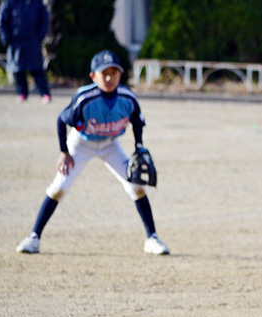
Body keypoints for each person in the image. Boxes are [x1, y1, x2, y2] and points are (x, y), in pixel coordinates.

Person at [15, 50, 169, 256]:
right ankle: (33, 237)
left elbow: (137, 121)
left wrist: (139, 146)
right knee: (60, 187)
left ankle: (152, 238)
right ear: (93, 76)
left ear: (120, 75)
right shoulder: (85, 98)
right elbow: (62, 120)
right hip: (81, 144)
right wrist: (64, 152)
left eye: (114, 73)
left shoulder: (127, 98)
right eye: (103, 73)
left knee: (136, 186)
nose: (109, 78)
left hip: (111, 144)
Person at [0, 0, 52, 103]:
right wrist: (6, 38)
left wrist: (40, 37)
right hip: (16, 42)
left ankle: (45, 94)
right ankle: (22, 93)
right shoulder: (9, 3)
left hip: (33, 41)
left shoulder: (36, 2)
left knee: (37, 70)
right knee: (18, 70)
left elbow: (44, 20)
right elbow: (2, 22)